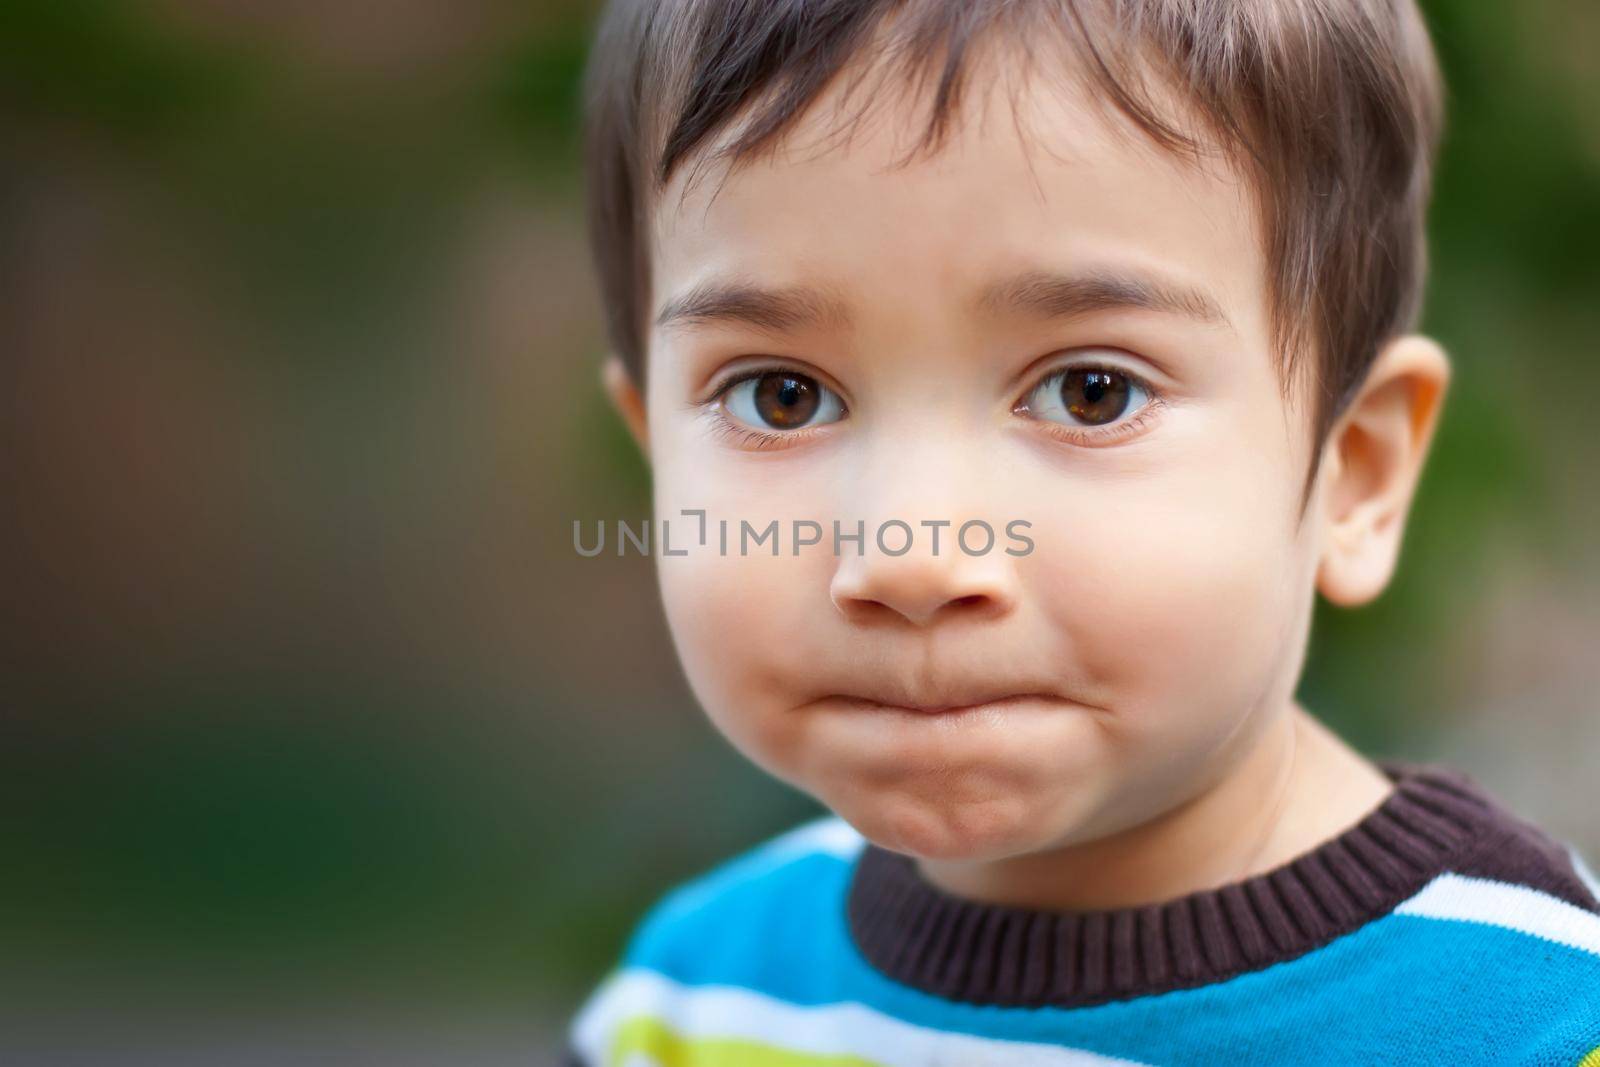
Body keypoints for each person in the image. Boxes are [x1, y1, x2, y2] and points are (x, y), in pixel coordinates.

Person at [563, 0, 1600, 1062]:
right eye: (780, 396)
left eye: (1089, 391)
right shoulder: (690, 1000)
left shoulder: (1534, 1018)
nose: (910, 558)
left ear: (1354, 473)